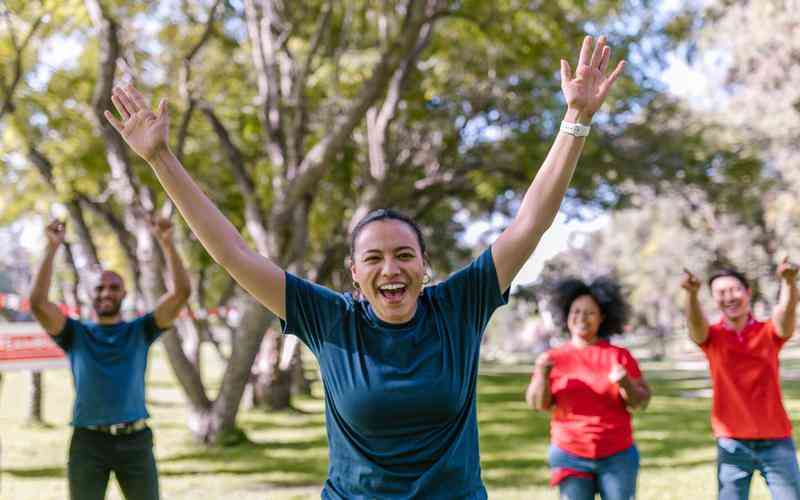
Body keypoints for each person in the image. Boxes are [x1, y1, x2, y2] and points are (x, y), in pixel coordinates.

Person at [105, 35, 625, 499]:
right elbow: (232, 253)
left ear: (425, 265)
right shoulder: (330, 319)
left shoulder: (459, 306)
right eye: (373, 258)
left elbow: (528, 224)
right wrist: (161, 161)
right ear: (354, 272)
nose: (390, 268)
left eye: (403, 254)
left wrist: (574, 121)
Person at [29, 217, 191, 500]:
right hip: (87, 442)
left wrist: (167, 243)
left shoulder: (140, 330)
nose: (106, 292)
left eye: (114, 287)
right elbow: (38, 303)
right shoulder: (75, 334)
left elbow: (181, 294)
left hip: (135, 442)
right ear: (92, 294)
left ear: (123, 295)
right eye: (100, 288)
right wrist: (52, 247)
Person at [682, 263, 800, 500]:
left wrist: (788, 282)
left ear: (747, 292)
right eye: (721, 293)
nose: (729, 297)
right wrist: (691, 294)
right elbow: (695, 326)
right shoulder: (712, 337)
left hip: (776, 439)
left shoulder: (768, 331)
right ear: (714, 300)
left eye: (734, 290)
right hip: (732, 443)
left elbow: (786, 317)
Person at [525, 278, 651, 499]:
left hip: (617, 454)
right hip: (569, 453)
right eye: (576, 312)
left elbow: (641, 402)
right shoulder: (552, 359)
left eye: (590, 312)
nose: (582, 318)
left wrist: (625, 383)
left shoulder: (619, 356)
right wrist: (543, 376)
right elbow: (538, 404)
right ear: (567, 315)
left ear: (602, 317)